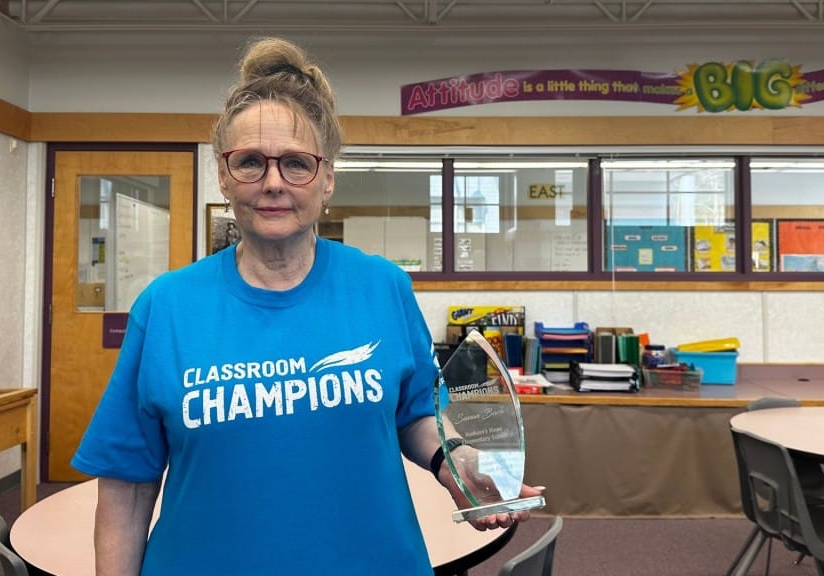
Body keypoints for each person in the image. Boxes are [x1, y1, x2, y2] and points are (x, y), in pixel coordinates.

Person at [70, 36, 543, 575]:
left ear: (327, 179)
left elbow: (416, 413)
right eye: (250, 162)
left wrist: (456, 463)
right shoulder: (166, 308)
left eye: (296, 163)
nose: (273, 182)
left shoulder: (382, 286)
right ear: (224, 176)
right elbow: (127, 489)